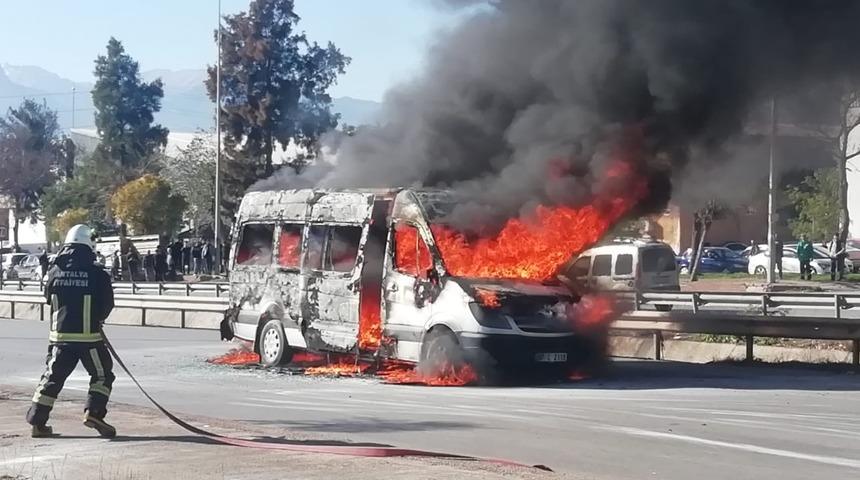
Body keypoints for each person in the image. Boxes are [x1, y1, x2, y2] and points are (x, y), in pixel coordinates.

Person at [26, 224, 117, 438]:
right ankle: (93, 413)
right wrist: (97, 318)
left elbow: (48, 298)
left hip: (60, 338)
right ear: (89, 244)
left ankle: (37, 423)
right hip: (90, 339)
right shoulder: (97, 273)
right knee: (102, 375)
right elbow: (107, 304)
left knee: (52, 378)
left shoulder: (54, 270)